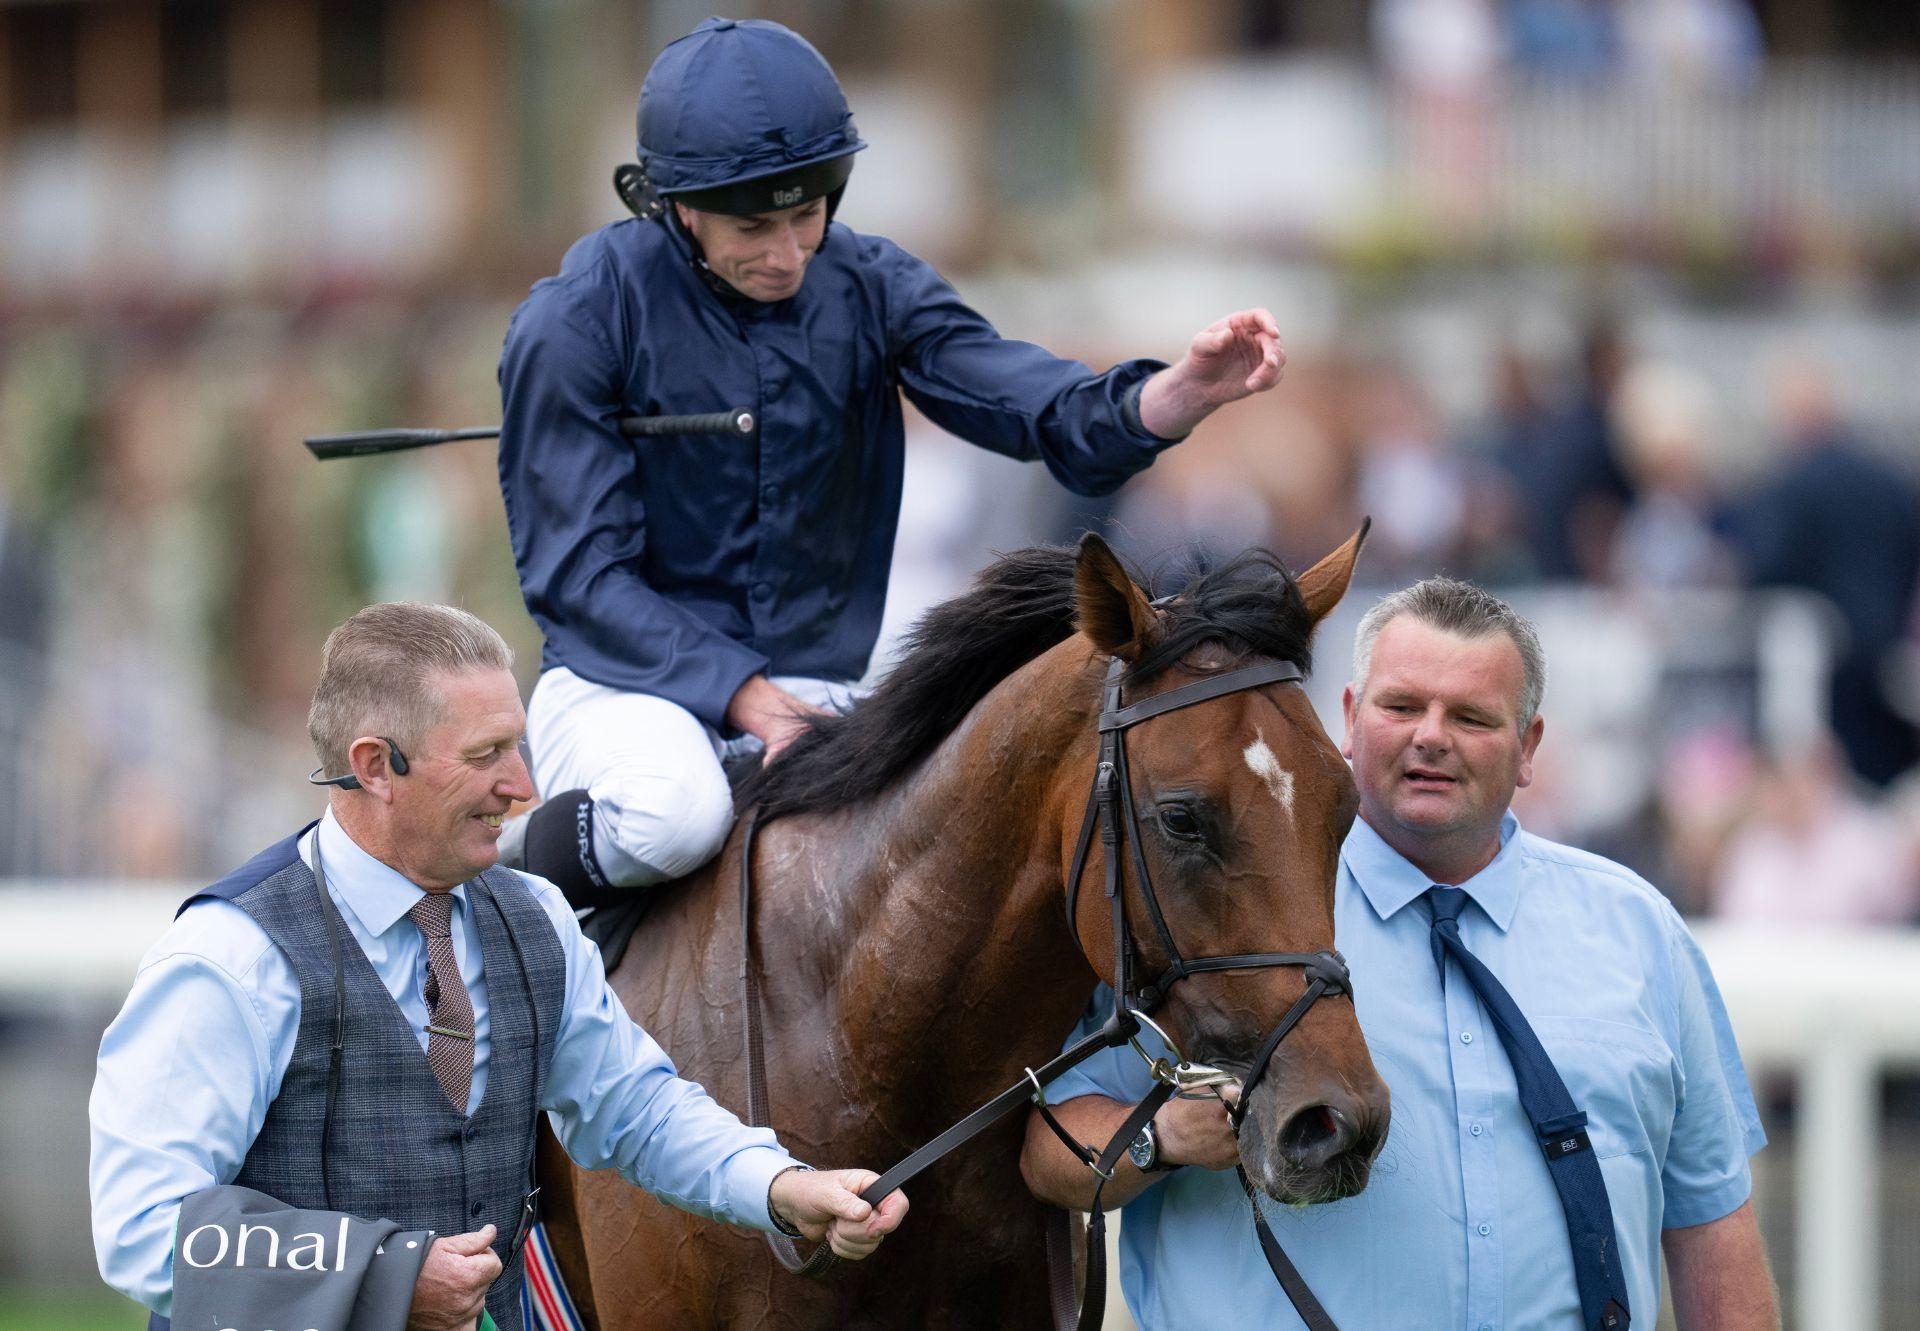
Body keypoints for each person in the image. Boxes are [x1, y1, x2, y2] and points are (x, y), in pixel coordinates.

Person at [495, 16, 1290, 897]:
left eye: (807, 214)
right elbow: (580, 580)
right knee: (676, 816)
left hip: (816, 683)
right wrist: (751, 700)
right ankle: (502, 870)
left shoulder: (872, 283)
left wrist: (1178, 392)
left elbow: (1029, 402)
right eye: (754, 229)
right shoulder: (574, 320)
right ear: (674, 204)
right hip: (623, 686)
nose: (789, 253)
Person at [89, 603, 907, 1331]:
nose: (522, 787)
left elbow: (634, 1106)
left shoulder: (537, 916)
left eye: (518, 746)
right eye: (486, 754)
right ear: (375, 765)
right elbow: (144, 1226)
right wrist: (384, 1275)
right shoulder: (233, 956)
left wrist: (779, 1185)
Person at [1021, 578, 1777, 1330]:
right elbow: (1045, 1149)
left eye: (1472, 716)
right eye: (1402, 706)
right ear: (1349, 720)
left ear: (1529, 747)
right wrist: (1163, 1137)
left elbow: (1711, 1221)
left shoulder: (1639, 930)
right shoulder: (1220, 905)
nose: (1431, 736)